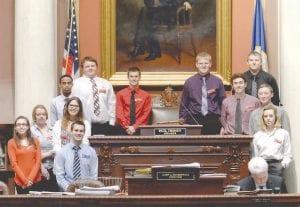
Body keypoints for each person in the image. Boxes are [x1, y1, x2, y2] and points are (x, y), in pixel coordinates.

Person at [179, 52, 226, 135]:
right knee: (195, 147)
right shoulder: (189, 82)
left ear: (210, 64)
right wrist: (182, 120)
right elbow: (184, 105)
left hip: (213, 120)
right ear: (196, 64)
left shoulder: (217, 81)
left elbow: (223, 103)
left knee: (214, 147)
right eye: (201, 63)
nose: (203, 66)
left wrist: (224, 124)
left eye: (206, 63)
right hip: (194, 119)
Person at [72, 56, 116, 135]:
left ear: (96, 67)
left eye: (93, 66)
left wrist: (112, 122)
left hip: (105, 125)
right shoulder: (76, 84)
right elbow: (73, 105)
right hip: (84, 125)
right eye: (87, 66)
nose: (90, 68)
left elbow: (111, 103)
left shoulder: (106, 83)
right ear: (82, 68)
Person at [55, 121, 98, 192]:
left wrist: (89, 189)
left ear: (84, 133)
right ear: (71, 131)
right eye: (76, 130)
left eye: (81, 131)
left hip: (86, 192)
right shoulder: (62, 152)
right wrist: (68, 188)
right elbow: (60, 176)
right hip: (67, 192)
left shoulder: (91, 152)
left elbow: (93, 175)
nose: (78, 133)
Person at [253, 105, 292, 177]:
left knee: (276, 187)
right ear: (263, 118)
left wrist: (284, 164)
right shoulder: (257, 135)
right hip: (262, 166)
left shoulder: (283, 133)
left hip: (277, 165)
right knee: (263, 187)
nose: (268, 118)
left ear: (276, 117)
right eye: (265, 116)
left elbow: (287, 153)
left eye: (271, 116)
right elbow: (256, 155)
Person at [7, 116, 42, 194]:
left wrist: (30, 179)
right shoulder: (11, 143)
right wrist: (25, 181)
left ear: (28, 127)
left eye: (24, 124)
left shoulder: (35, 141)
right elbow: (14, 164)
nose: (21, 126)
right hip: (21, 182)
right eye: (18, 125)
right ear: (15, 128)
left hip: (36, 180)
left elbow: (38, 161)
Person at [31, 105, 59, 191]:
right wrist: (42, 167)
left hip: (54, 168)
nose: (41, 116)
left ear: (46, 116)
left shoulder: (53, 130)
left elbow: (57, 147)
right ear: (34, 117)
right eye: (38, 114)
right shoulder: (31, 131)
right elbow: (31, 154)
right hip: (39, 169)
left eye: (43, 114)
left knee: (54, 198)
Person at [116, 67, 152, 135]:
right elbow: (119, 112)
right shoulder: (120, 94)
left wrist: (135, 127)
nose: (134, 79)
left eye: (136, 76)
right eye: (131, 76)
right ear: (128, 77)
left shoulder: (146, 95)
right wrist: (127, 126)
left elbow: (146, 114)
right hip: (123, 129)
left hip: (140, 128)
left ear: (139, 77)